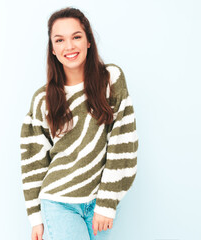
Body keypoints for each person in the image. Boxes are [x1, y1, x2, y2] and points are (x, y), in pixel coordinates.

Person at [20, 7, 138, 240]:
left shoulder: (111, 80)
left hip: (99, 200)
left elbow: (123, 142)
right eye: (60, 40)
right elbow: (32, 162)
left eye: (76, 37)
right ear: (53, 49)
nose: (69, 46)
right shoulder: (42, 99)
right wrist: (36, 219)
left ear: (89, 41)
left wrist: (106, 203)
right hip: (58, 202)